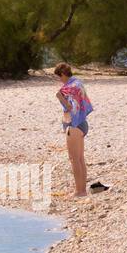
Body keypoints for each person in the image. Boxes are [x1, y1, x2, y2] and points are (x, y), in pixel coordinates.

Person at [54, 62, 94, 198]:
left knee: (74, 159)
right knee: (80, 159)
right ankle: (82, 190)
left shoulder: (69, 88)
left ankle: (80, 191)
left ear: (63, 74)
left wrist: (60, 97)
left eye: (60, 77)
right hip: (81, 124)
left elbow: (71, 107)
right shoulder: (78, 83)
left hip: (74, 125)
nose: (60, 80)